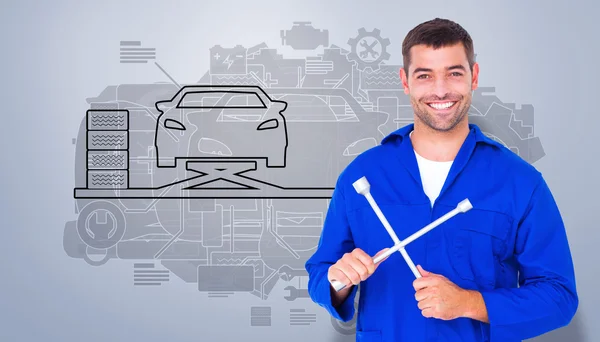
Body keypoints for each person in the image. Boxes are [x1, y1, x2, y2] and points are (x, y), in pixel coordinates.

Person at [304, 18, 578, 341]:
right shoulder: (361, 177)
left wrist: (469, 303)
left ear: (473, 77)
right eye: (424, 75)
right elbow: (321, 277)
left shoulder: (520, 182)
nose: (440, 90)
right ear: (405, 81)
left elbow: (559, 297)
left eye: (454, 73)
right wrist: (339, 281)